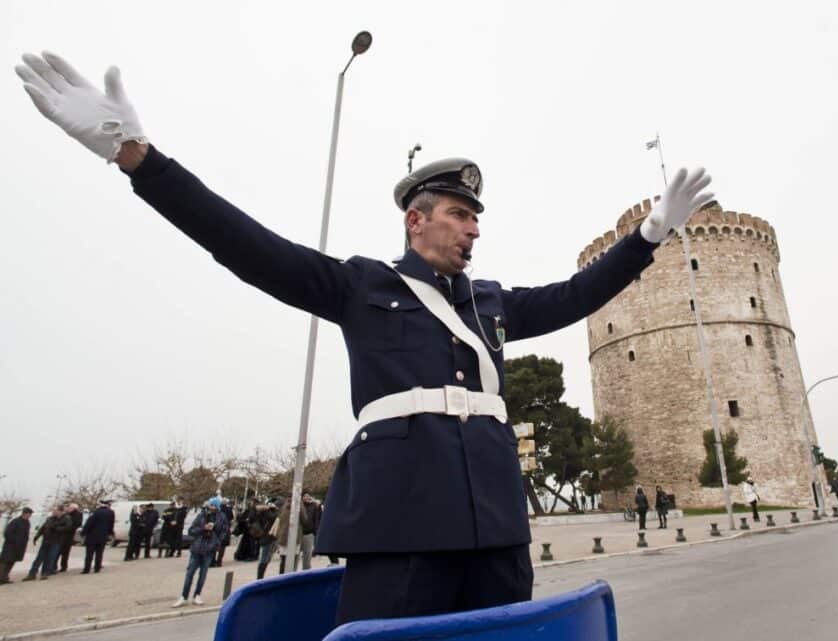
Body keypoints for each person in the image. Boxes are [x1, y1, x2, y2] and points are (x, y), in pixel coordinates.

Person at [14, 51, 714, 624]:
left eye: (477, 218)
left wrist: (647, 237)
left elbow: (575, 294)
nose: (474, 228)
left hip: (498, 530)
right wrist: (138, 158)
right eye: (460, 214)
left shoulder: (491, 303)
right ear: (417, 220)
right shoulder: (359, 286)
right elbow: (243, 243)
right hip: (398, 526)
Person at [173, 498, 229, 607]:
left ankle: (197, 595)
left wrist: (216, 540)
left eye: (214, 505)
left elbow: (224, 531)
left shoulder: (222, 517)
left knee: (203, 574)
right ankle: (184, 596)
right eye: (211, 505)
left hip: (209, 549)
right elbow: (192, 530)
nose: (212, 507)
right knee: (190, 573)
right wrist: (203, 528)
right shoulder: (202, 515)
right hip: (197, 547)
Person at [25, 505, 71, 580]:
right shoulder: (50, 519)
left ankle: (45, 573)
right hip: (46, 540)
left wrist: (56, 528)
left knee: (50, 558)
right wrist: (37, 536)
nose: (53, 512)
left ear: (60, 511)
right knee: (39, 558)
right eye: (53, 510)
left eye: (55, 510)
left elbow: (67, 528)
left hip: (56, 541)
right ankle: (32, 574)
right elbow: (43, 527)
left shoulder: (66, 519)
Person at [0, 508, 33, 585]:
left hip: (19, 547)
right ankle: (1, 578)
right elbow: (7, 533)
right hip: (10, 546)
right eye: (29, 514)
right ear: (25, 513)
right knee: (5, 562)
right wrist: (16, 540)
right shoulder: (15, 521)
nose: (30, 516)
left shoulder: (27, 523)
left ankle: (4, 578)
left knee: (12, 561)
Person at [81, 499, 115, 573]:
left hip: (92, 536)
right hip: (103, 536)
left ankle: (87, 569)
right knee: (99, 553)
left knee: (89, 553)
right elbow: (111, 524)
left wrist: (83, 532)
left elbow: (89, 523)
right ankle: (97, 568)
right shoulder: (111, 512)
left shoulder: (96, 512)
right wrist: (110, 533)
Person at [253, 500, 280, 580]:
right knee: (264, 559)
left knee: (266, 558)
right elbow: (272, 517)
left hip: (268, 537)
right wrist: (270, 509)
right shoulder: (268, 513)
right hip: (267, 538)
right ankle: (259, 578)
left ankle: (260, 577)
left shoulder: (266, 512)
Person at [57, 502, 82, 572]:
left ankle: (63, 566)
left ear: (73, 508)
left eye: (68, 507)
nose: (67, 509)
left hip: (68, 535)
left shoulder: (77, 515)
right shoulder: (67, 514)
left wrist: (67, 528)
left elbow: (76, 524)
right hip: (66, 534)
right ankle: (60, 566)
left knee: (64, 551)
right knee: (62, 551)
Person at [299, 494, 321, 571]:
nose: (307, 497)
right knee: (295, 556)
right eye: (305, 496)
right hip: (299, 534)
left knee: (307, 557)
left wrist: (315, 531)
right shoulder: (299, 505)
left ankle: (306, 572)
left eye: (308, 496)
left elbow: (317, 518)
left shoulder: (314, 506)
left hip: (309, 533)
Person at [212, 499, 234, 567]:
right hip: (225, 530)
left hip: (216, 530)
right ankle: (219, 561)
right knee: (222, 547)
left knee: (214, 547)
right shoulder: (228, 510)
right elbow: (231, 518)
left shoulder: (217, 511)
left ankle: (213, 561)